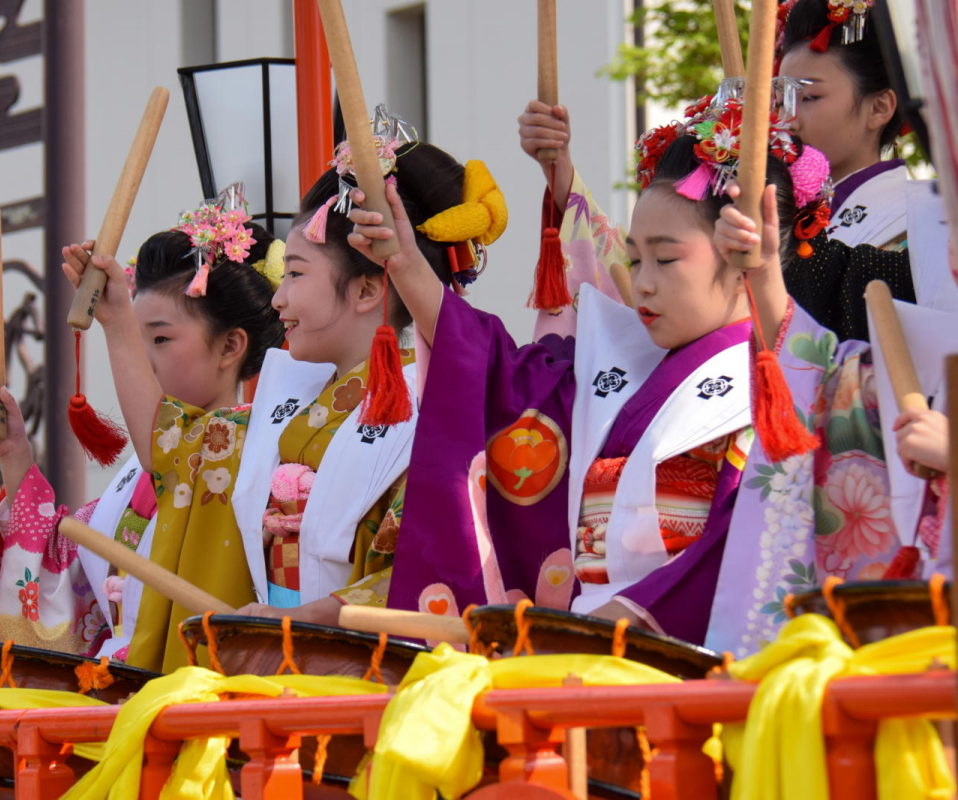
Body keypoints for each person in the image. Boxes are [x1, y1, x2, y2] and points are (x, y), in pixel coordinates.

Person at [353, 98, 902, 658]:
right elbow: (502, 377)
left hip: (680, 651)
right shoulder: (617, 367)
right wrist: (406, 266)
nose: (640, 284)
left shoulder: (789, 386)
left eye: (666, 261)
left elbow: (740, 549)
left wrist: (620, 620)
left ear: (743, 254)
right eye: (636, 260)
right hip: (583, 640)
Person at [63, 114, 505, 667]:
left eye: (295, 275)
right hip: (284, 662)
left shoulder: (434, 412)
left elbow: (430, 570)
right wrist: (116, 323)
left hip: (370, 673)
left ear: (368, 288)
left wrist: (312, 616)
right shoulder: (290, 408)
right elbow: (170, 447)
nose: (278, 300)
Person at [0, 195, 285, 664]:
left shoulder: (248, 450)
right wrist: (17, 454)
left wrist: (115, 322)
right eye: (135, 339)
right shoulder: (138, 473)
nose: (140, 358)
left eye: (159, 338)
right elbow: (70, 560)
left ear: (230, 347)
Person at [519, 85, 913, 342]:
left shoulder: (915, 217)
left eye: (807, 96)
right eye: (636, 260)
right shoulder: (650, 340)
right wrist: (561, 173)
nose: (641, 284)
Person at [778, 0, 958, 313]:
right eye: (781, 101)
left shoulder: (923, 221)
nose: (786, 120)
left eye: (808, 98)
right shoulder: (777, 210)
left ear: (878, 108)